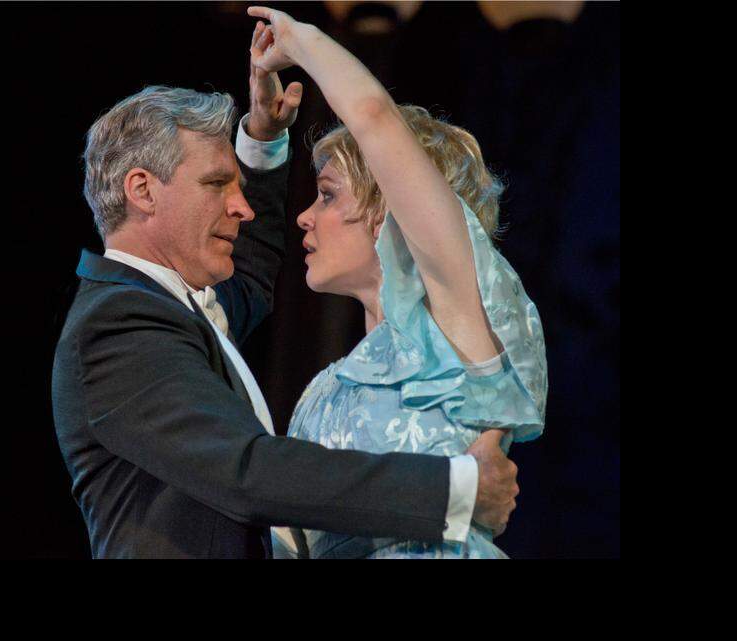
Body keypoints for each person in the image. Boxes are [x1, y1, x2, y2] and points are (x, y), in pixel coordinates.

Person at [51, 25, 518, 559]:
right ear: (142, 190)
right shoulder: (119, 324)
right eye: (215, 184)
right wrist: (457, 491)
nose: (244, 207)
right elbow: (245, 472)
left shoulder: (172, 308)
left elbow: (247, 269)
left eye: (325, 196)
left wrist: (263, 138)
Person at [246, 6, 547, 559]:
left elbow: (374, 119)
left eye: (329, 194)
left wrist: (303, 41)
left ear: (387, 210)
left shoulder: (456, 326)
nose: (305, 217)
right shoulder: (320, 392)